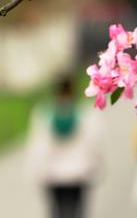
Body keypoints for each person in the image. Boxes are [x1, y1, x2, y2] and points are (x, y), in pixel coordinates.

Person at [26, 77, 102, 218]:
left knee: (57, 212)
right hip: (79, 173)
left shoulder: (43, 114)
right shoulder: (85, 113)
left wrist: (37, 172)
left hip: (53, 175)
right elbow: (93, 144)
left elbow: (38, 148)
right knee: (78, 212)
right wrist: (95, 167)